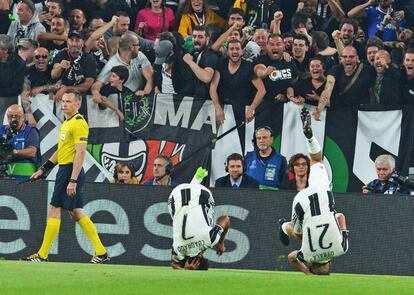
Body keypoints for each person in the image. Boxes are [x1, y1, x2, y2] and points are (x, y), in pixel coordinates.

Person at [26, 90, 109, 263]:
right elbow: (61, 150)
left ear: (77, 104)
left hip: (70, 171)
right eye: (63, 101)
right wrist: (44, 169)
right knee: (76, 212)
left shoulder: (79, 123)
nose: (64, 104)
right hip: (66, 170)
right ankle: (101, 252)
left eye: (69, 101)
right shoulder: (67, 122)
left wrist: (72, 180)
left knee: (54, 209)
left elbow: (80, 153)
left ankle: (42, 255)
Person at [278, 107, 349, 275]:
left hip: (322, 192)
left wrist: (332, 221)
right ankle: (282, 226)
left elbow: (340, 217)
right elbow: (291, 257)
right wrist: (307, 273)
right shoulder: (306, 256)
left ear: (329, 263)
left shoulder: (342, 249)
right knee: (298, 235)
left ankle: (310, 137)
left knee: (316, 159)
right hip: (301, 198)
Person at [169, 167, 230, 270]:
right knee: (179, 214)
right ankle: (195, 180)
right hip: (175, 195)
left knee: (206, 218)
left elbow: (226, 219)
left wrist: (220, 243)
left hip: (202, 193)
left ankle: (196, 181)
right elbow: (174, 264)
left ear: (201, 256)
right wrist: (184, 269)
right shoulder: (178, 249)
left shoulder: (210, 240)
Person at [0, 104, 39, 179]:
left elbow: (32, 152)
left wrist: (13, 152)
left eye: (17, 116)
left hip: (24, 179)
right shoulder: (1, 130)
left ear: (23, 117)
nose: (13, 119)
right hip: (3, 177)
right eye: (10, 116)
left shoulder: (31, 131)